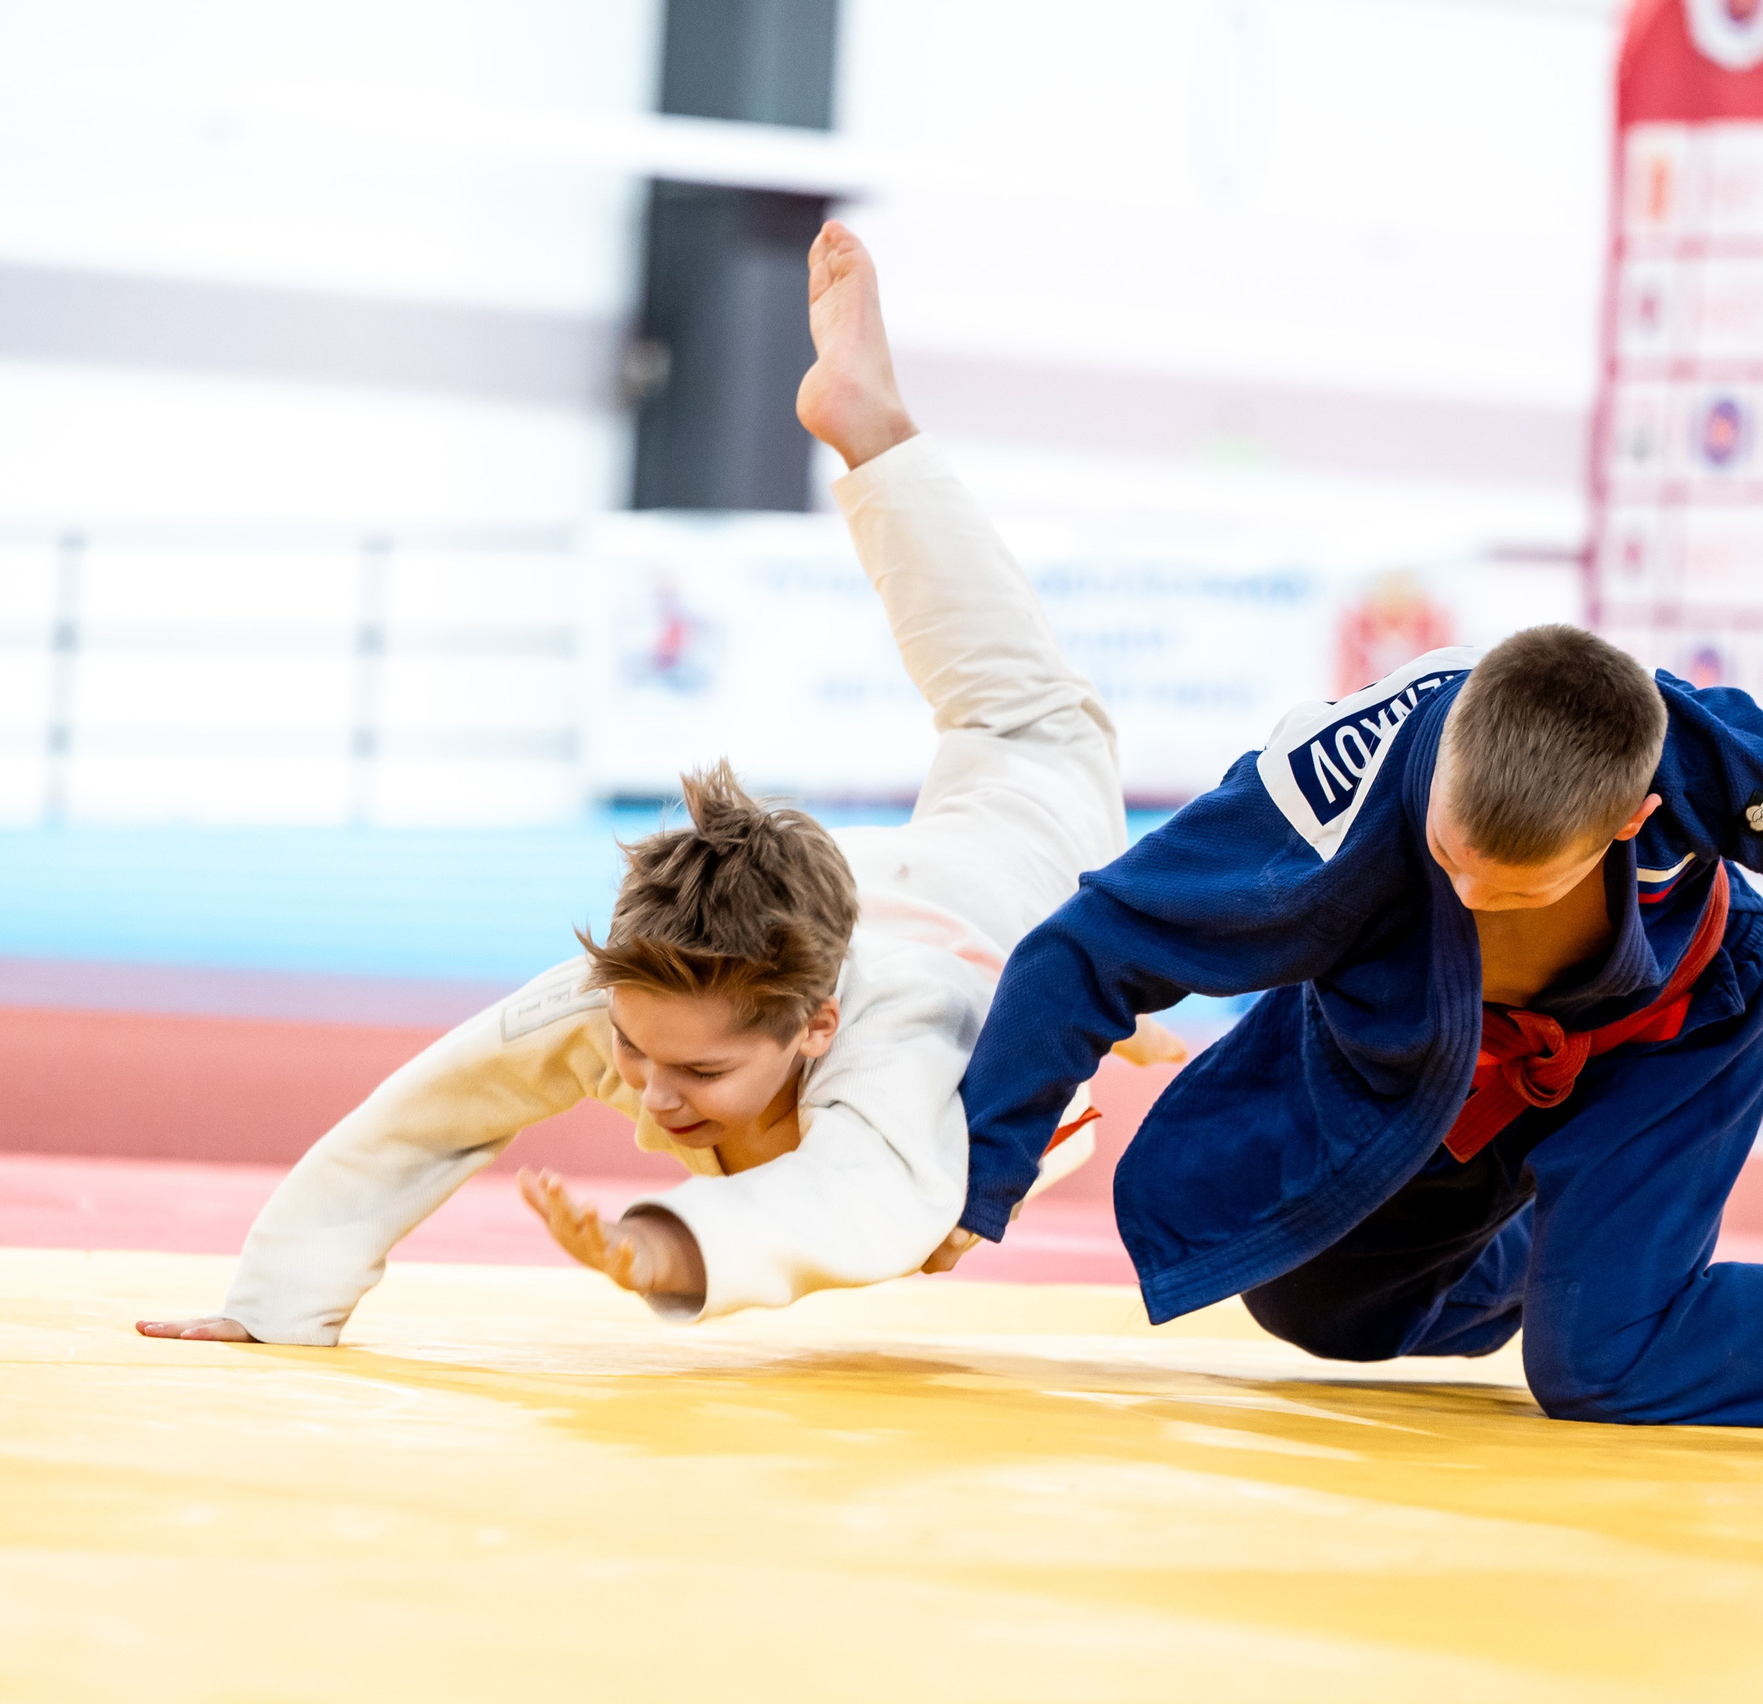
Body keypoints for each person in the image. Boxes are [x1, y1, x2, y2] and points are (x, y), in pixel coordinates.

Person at [138, 222, 1172, 1346]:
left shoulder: (896, 1054)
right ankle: (871, 433)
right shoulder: (624, 998)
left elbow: (856, 1207)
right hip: (888, 892)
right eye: (638, 1051)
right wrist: (273, 1304)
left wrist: (663, 1246)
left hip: (1003, 883)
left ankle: (875, 429)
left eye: (699, 1069)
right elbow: (422, 1116)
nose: (656, 1090)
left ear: (817, 1027)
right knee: (1014, 718)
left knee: (1031, 722)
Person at [952, 631, 1763, 1443]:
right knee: (1313, 1303)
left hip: (1673, 1037)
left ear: (1630, 820)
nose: (1470, 892)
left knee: (1596, 1366)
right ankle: (1597, 1255)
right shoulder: (1322, 803)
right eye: (1448, 860)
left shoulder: (1691, 752)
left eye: (1512, 884)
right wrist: (975, 1185)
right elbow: (1087, 950)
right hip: (1427, 1048)